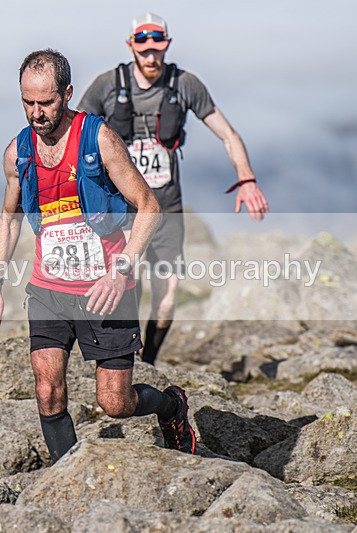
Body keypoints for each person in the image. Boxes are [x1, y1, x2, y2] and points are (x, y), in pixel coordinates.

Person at [0, 49, 196, 462]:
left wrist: (121, 271)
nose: (37, 113)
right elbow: (8, 219)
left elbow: (149, 207)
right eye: (28, 102)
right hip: (48, 290)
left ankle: (171, 407)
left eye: (46, 102)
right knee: (47, 390)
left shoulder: (99, 139)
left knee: (114, 403)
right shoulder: (18, 153)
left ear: (67, 94)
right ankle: (66, 477)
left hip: (105, 290)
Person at [78, 12, 269, 365]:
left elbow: (229, 135)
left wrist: (247, 179)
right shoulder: (107, 85)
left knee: (167, 294)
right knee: (122, 284)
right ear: (131, 46)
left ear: (167, 44)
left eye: (158, 47)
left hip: (166, 207)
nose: (151, 56)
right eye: (143, 47)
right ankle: (122, 361)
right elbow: (73, 135)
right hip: (121, 209)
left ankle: (148, 360)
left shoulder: (185, 85)